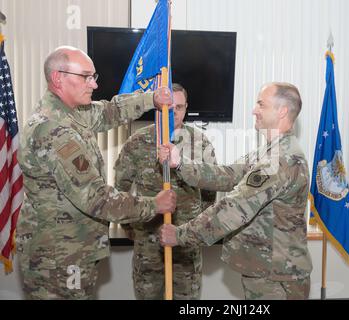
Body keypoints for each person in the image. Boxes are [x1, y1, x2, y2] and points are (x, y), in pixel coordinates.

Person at [16, 46, 177, 300]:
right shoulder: (54, 130)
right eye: (86, 77)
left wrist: (151, 99)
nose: (94, 84)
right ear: (58, 78)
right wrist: (153, 205)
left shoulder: (71, 112)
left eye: (94, 76)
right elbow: (96, 198)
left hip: (75, 251)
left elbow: (109, 111)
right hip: (58, 259)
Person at [159, 82, 313, 300]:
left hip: (277, 277)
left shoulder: (281, 160)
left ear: (282, 111)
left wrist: (180, 235)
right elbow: (227, 174)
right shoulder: (269, 152)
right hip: (266, 269)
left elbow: (233, 208)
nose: (254, 110)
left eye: (261, 104)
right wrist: (180, 164)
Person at [114, 83, 217, 300]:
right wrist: (131, 228)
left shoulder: (201, 144)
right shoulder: (138, 142)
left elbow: (210, 193)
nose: (174, 113)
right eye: (169, 108)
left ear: (186, 108)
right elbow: (121, 189)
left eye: (179, 107)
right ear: (159, 108)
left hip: (186, 244)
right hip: (149, 243)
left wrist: (196, 227)